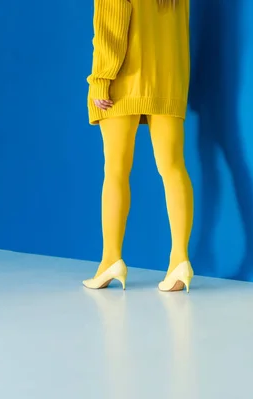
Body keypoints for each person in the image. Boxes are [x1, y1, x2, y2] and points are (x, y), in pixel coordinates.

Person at [82, 0, 194, 293]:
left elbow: (111, 27)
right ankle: (180, 259)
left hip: (122, 83)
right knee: (173, 168)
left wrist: (100, 79)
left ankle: (110, 259)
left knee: (116, 172)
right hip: (168, 82)